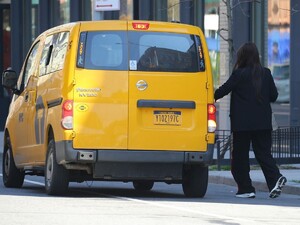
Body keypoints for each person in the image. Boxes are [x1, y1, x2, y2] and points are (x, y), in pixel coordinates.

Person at [214, 42, 287, 198]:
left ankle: (246, 189)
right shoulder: (266, 73)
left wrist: (206, 95)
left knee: (240, 157)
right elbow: (274, 96)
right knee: (264, 154)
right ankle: (275, 179)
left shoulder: (239, 74)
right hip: (263, 123)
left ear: (242, 57)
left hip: (242, 125)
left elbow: (222, 91)